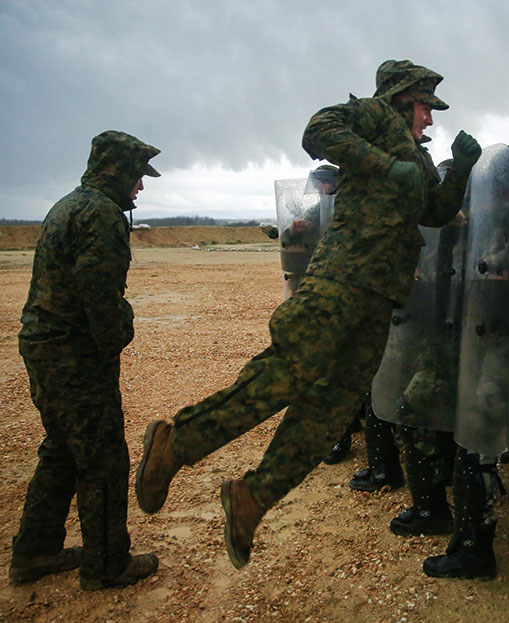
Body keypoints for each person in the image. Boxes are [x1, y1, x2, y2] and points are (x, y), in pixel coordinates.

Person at [134, 60, 481, 569]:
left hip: (379, 295)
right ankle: (177, 441)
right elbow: (317, 129)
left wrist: (462, 167)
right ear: (405, 98)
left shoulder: (419, 158)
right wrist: (383, 165)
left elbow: (431, 210)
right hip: (339, 280)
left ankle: (254, 497)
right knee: (287, 373)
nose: (430, 119)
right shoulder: (372, 116)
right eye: (427, 107)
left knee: (334, 406)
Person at [10, 130, 161, 591]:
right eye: (137, 176)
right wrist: (119, 332)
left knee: (61, 449)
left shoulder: (67, 205)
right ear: (118, 170)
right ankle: (107, 564)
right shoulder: (101, 214)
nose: (140, 186)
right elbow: (99, 294)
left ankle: (35, 551)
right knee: (102, 459)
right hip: (73, 357)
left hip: (43, 346)